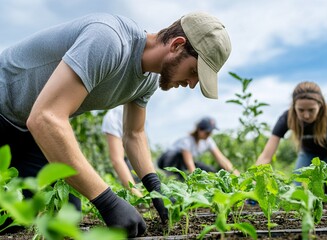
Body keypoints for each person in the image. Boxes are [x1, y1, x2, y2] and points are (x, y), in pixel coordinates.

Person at [0, 12, 231, 237]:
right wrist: (106, 201)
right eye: (193, 72)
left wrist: (155, 187)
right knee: (9, 212)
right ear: (177, 45)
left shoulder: (148, 80)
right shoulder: (109, 40)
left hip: (27, 132)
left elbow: (134, 133)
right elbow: (46, 118)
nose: (191, 84)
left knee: (63, 213)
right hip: (5, 111)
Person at [255, 81, 327, 195]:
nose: (306, 115)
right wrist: (254, 183)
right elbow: (266, 155)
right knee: (296, 192)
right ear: (294, 107)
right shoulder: (286, 118)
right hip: (308, 155)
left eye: (311, 110)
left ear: (320, 105)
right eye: (301, 110)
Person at [158, 117, 240, 178]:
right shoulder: (187, 141)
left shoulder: (208, 141)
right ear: (199, 129)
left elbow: (221, 159)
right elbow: (189, 163)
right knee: (181, 160)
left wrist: (237, 175)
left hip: (184, 162)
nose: (209, 134)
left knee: (209, 170)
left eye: (210, 132)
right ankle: (174, 176)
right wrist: (196, 181)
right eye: (207, 132)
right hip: (167, 161)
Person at [102, 106, 143, 197]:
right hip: (128, 162)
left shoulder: (139, 109)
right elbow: (117, 159)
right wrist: (137, 194)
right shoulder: (115, 115)